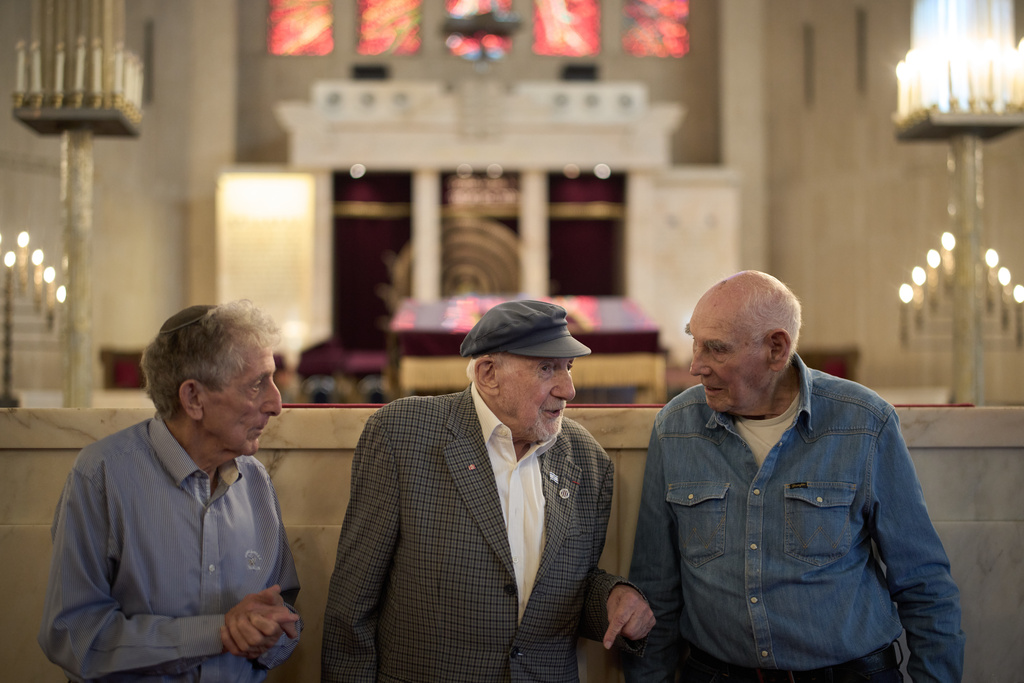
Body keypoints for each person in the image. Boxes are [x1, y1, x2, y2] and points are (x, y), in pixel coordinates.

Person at [623, 271, 965, 683]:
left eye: (716, 349)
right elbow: (654, 593)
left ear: (776, 348)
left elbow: (925, 585)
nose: (696, 366)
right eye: (694, 342)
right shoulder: (676, 428)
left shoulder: (863, 424)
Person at [321, 299, 655, 682]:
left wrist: (612, 599)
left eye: (568, 368)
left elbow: (566, 590)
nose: (569, 389)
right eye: (547, 368)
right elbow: (352, 606)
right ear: (488, 373)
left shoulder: (587, 459)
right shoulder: (403, 435)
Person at [38, 300, 302, 682]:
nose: (276, 403)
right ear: (193, 398)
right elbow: (73, 636)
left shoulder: (257, 482)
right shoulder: (101, 476)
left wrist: (269, 629)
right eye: (257, 384)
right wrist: (217, 633)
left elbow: (287, 616)